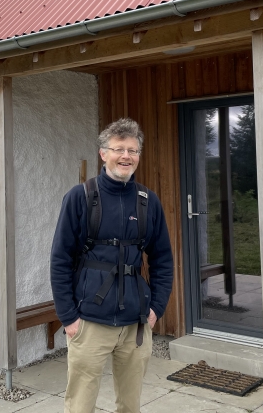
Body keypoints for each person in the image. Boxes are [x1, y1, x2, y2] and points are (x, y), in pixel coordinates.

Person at [50, 118, 173, 413]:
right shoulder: (80, 198)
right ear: (103, 153)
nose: (126, 156)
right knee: (80, 405)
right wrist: (68, 318)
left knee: (130, 405)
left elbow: (163, 259)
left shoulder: (148, 202)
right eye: (119, 149)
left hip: (136, 323)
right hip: (88, 321)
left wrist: (157, 308)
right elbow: (60, 260)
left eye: (133, 150)